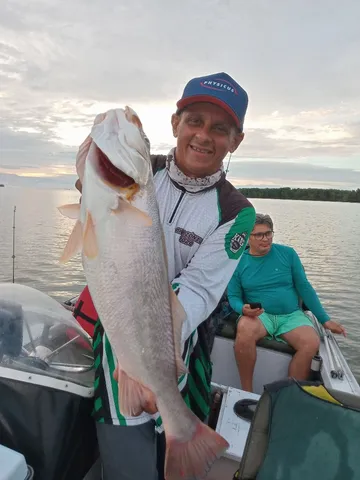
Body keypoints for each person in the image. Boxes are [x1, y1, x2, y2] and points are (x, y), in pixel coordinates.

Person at [73, 72, 256, 479]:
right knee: (126, 457)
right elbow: (96, 230)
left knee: (168, 447)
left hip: (178, 345)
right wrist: (87, 180)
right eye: (194, 121)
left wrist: (154, 352)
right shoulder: (140, 172)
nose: (203, 136)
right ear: (175, 123)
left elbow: (197, 290)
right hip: (118, 335)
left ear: (235, 141)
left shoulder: (237, 213)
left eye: (220, 128)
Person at [227, 213, 346, 393]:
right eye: (259, 235)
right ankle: (246, 392)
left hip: (291, 315)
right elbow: (233, 296)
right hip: (260, 316)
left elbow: (304, 288)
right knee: (244, 330)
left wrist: (325, 320)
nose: (265, 239)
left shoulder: (288, 254)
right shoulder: (237, 262)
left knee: (311, 342)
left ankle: (287, 396)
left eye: (268, 233)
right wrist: (241, 309)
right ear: (247, 238)